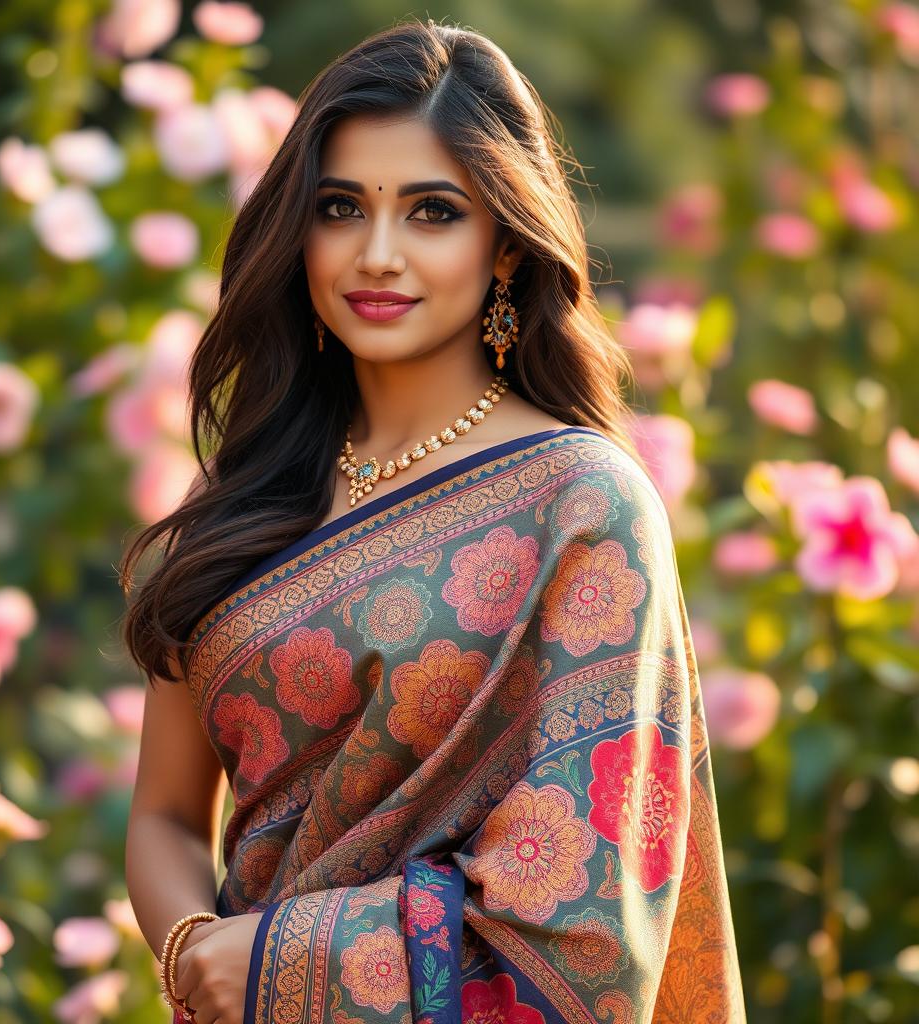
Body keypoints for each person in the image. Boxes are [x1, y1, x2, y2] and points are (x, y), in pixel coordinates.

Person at [120, 17, 747, 1024]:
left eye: (431, 213)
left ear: (504, 245)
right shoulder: (243, 498)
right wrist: (198, 954)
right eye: (340, 207)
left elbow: (581, 927)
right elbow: (161, 814)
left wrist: (285, 964)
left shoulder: (582, 506)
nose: (376, 254)